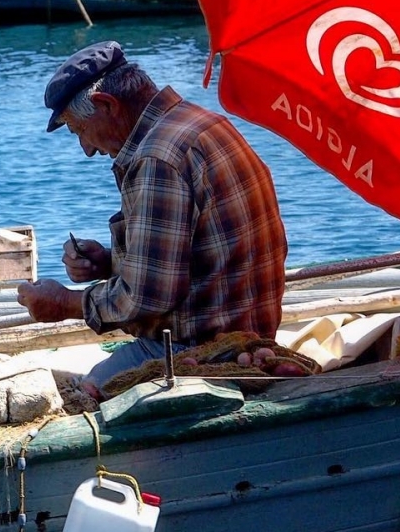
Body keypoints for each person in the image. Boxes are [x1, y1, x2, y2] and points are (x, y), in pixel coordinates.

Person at [16, 40, 288, 400]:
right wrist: (111, 264)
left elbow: (146, 297)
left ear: (106, 105)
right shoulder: (198, 122)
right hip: (251, 332)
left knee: (88, 391)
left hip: (204, 351)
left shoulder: (157, 158)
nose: (87, 149)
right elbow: (194, 260)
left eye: (78, 130)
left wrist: (65, 303)